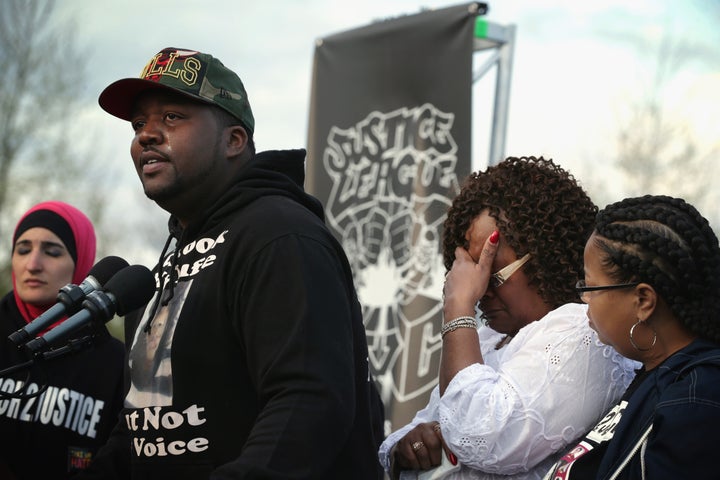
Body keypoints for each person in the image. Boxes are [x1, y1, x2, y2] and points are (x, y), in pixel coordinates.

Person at [80, 47, 384, 479]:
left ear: (233, 140)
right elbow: (140, 428)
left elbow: (308, 403)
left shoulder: (279, 236)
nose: (146, 135)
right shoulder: (165, 266)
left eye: (171, 117)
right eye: (139, 124)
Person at [379, 157, 640, 479]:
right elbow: (417, 427)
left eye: (491, 272)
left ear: (545, 255)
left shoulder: (582, 332)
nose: (478, 290)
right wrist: (410, 445)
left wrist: (457, 307)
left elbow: (482, 437)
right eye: (469, 274)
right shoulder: (490, 339)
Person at [543, 194, 720, 479]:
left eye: (591, 286)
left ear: (643, 300)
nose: (584, 298)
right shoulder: (657, 376)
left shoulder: (695, 400)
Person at [0, 200, 126, 479]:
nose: (33, 264)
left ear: (80, 261)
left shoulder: (113, 361)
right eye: (22, 250)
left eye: (52, 252)